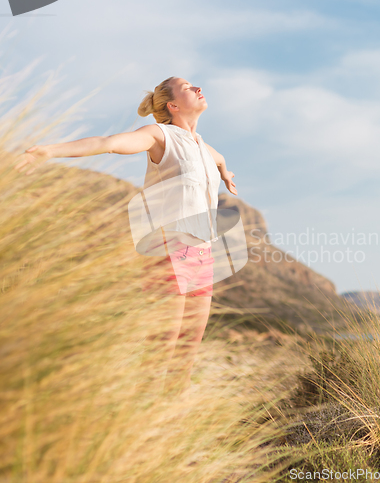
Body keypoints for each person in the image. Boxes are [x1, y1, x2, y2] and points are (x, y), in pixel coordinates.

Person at [14, 76, 238, 398]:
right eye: (188, 87)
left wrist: (225, 173)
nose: (198, 88)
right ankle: (140, 422)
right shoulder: (160, 136)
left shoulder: (203, 146)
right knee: (160, 352)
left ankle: (169, 429)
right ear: (172, 106)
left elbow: (218, 160)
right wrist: (50, 151)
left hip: (202, 258)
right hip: (168, 253)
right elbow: (109, 143)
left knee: (185, 359)